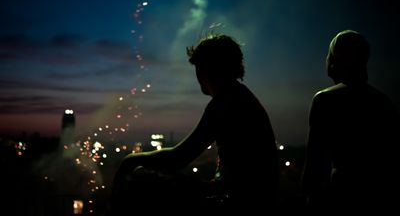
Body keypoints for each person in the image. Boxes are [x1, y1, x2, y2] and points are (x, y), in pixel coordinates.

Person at [109, 34, 279, 213]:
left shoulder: (225, 102)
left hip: (240, 203)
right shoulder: (240, 96)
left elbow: (179, 157)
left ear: (206, 69)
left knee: (139, 181)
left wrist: (130, 160)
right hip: (255, 200)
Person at [302, 30, 399, 213]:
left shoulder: (326, 100)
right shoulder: (384, 102)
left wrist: (310, 201)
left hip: (340, 199)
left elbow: (315, 166)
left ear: (334, 60)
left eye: (329, 54)